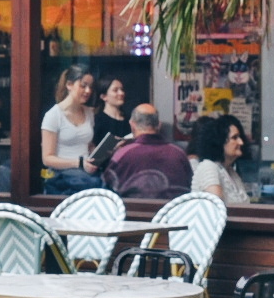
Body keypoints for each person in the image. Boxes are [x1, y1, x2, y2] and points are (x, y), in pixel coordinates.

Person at [102, 103, 192, 199]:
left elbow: (107, 190)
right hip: (173, 212)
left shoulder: (123, 154)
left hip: (133, 212)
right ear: (159, 125)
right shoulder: (179, 154)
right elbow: (189, 185)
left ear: (132, 125)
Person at [40, 65, 103, 195]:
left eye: (90, 87)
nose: (87, 91)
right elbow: (47, 158)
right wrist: (79, 163)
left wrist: (101, 152)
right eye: (83, 86)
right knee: (94, 185)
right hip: (62, 175)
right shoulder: (53, 115)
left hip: (85, 172)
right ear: (69, 85)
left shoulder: (89, 113)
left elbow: (87, 144)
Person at [188, 113, 250, 204]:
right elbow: (216, 207)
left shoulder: (231, 171)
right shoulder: (208, 167)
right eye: (234, 138)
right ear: (219, 141)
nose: (241, 142)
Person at [92, 75, 131, 146]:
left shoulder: (129, 120)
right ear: (104, 96)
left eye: (122, 89)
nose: (121, 93)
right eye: (115, 90)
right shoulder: (97, 120)